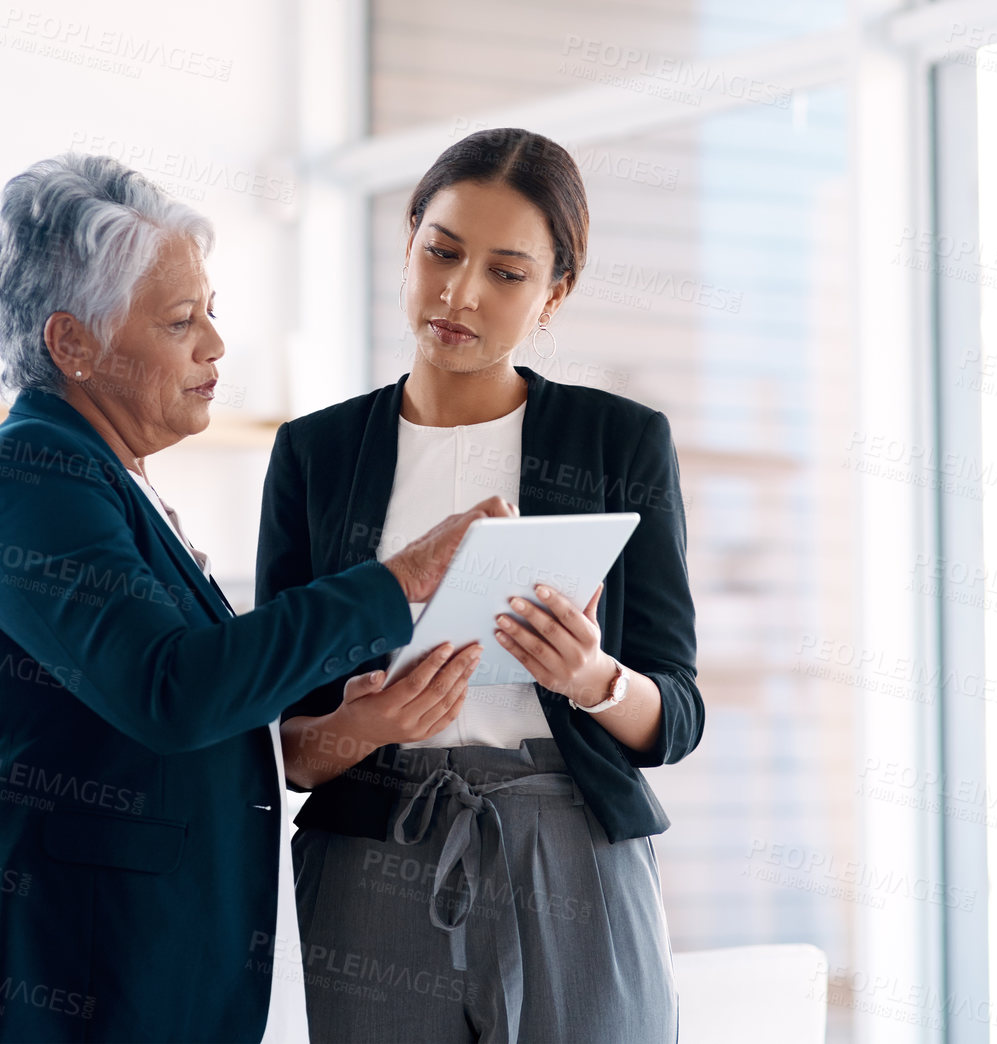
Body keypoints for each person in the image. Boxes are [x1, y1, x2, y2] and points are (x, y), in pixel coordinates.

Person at [0, 153, 505, 1043]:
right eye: (179, 321)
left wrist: (349, 729)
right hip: (33, 983)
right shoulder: (32, 477)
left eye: (211, 312)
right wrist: (399, 582)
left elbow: (181, 715)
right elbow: (171, 687)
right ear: (72, 345)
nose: (213, 344)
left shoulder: (109, 481)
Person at [260, 128, 704, 1043]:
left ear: (555, 294)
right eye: (442, 252)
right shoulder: (315, 455)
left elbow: (677, 715)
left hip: (570, 849)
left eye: (507, 272)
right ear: (409, 242)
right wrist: (363, 727)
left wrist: (593, 681)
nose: (459, 294)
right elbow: (278, 739)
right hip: (369, 854)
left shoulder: (618, 443)